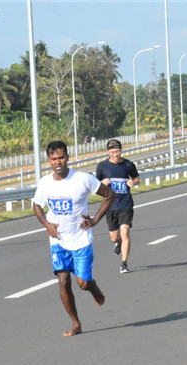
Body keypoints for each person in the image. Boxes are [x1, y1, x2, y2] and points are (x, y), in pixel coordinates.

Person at [32, 140, 115, 337]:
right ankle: (76, 323)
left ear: (67, 157)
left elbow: (109, 195)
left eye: (61, 157)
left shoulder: (83, 179)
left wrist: (94, 219)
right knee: (62, 280)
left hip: (80, 239)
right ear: (49, 161)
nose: (58, 162)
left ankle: (93, 288)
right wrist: (47, 225)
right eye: (53, 159)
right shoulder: (45, 183)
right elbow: (36, 206)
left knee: (83, 283)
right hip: (58, 240)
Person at [94, 139, 140, 273]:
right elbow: (96, 185)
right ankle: (118, 242)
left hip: (126, 204)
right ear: (108, 152)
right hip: (110, 206)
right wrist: (103, 182)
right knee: (114, 237)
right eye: (113, 152)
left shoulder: (128, 164)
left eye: (118, 151)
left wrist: (133, 182)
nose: (116, 154)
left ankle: (124, 263)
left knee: (125, 231)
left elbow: (137, 178)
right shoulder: (102, 166)